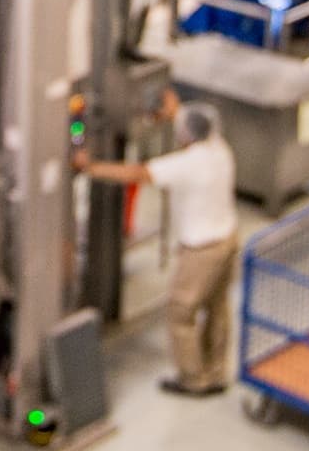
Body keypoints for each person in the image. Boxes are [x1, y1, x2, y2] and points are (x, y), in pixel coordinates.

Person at [76, 93, 243, 397]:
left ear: (187, 135)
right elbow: (191, 121)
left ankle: (193, 379)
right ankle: (217, 371)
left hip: (201, 250)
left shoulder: (187, 164)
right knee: (218, 307)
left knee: (181, 313)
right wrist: (173, 109)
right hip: (229, 240)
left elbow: (137, 174)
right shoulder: (220, 149)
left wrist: (90, 167)